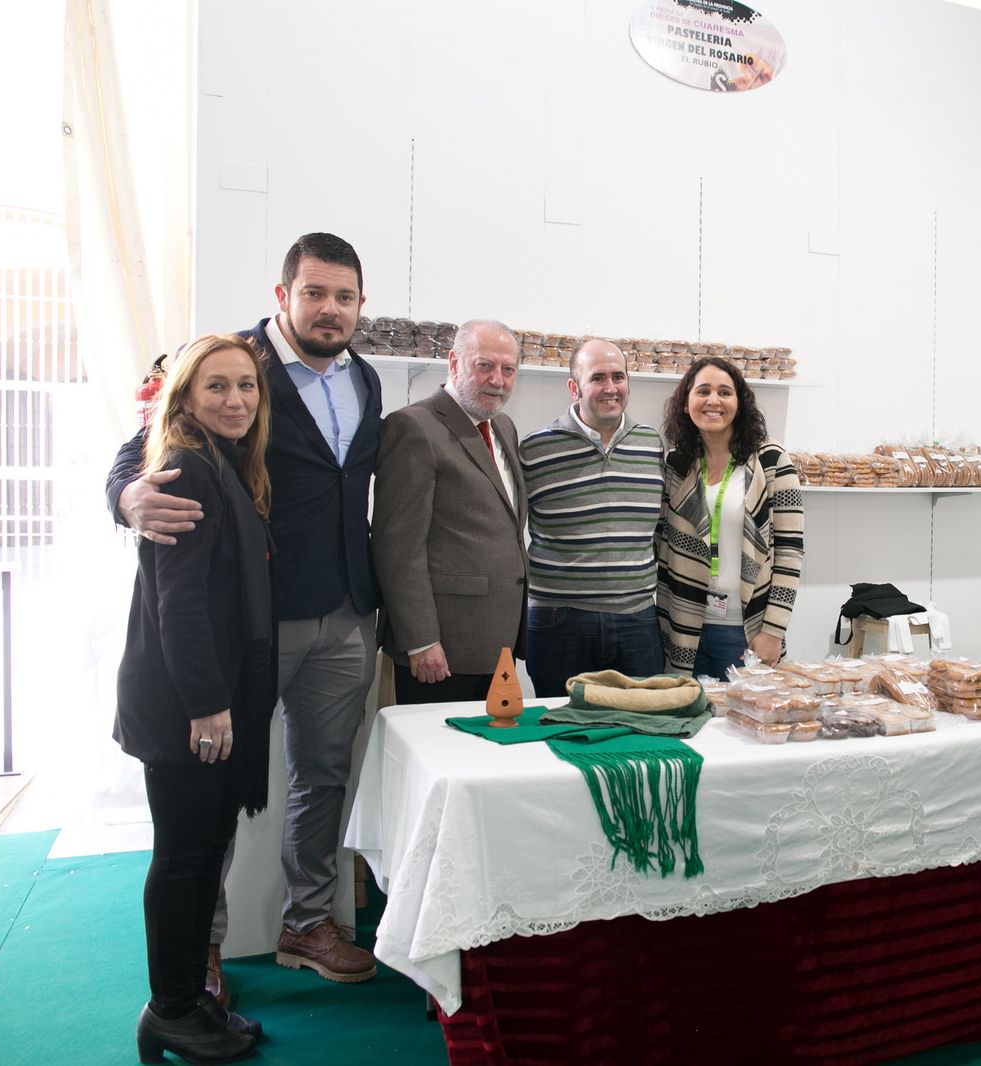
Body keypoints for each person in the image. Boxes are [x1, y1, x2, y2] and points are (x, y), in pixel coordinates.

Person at [108, 233, 382, 992]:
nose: (330, 309)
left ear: (361, 304)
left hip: (348, 611)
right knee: (215, 784)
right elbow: (143, 446)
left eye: (345, 296)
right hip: (256, 622)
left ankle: (307, 922)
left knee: (323, 774)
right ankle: (201, 945)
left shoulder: (366, 378)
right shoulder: (235, 366)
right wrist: (128, 498)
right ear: (282, 295)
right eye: (315, 293)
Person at [116, 333, 275, 1064]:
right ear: (183, 394)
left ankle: (183, 1004)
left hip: (205, 699)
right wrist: (209, 705)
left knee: (202, 853)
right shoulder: (183, 467)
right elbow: (176, 607)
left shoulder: (219, 461)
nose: (236, 400)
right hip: (188, 706)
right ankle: (172, 1010)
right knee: (183, 859)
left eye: (246, 386)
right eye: (217, 387)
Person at [373, 319, 528, 702]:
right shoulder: (413, 428)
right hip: (440, 648)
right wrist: (421, 640)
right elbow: (398, 548)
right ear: (454, 362)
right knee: (440, 757)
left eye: (508, 370)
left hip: (496, 640)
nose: (498, 379)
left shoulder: (503, 426)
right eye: (485, 366)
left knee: (487, 756)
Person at [518, 339, 665, 696]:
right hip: (560, 621)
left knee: (641, 731)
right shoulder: (536, 449)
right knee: (562, 728)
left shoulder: (652, 445)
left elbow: (660, 530)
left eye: (619, 377)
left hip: (638, 618)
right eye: (598, 377)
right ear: (574, 387)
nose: (610, 388)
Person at [656, 355, 804, 677]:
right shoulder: (676, 465)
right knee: (689, 721)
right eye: (703, 391)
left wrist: (773, 631)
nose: (714, 401)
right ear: (685, 403)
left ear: (740, 402)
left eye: (725, 392)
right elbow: (660, 546)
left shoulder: (771, 459)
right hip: (684, 629)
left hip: (747, 631)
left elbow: (791, 552)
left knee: (747, 721)